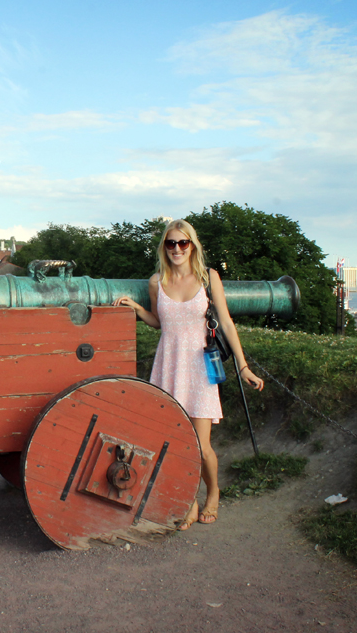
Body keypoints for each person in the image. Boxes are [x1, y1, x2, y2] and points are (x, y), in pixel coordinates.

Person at [113, 219, 264, 530]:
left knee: (200, 445)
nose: (177, 249)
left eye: (183, 243)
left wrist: (243, 365)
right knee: (171, 441)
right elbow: (159, 322)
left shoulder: (208, 278)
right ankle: (190, 502)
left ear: (193, 246)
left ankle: (213, 493)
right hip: (168, 367)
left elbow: (226, 322)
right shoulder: (157, 282)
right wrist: (137, 309)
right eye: (171, 243)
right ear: (164, 248)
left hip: (199, 369)